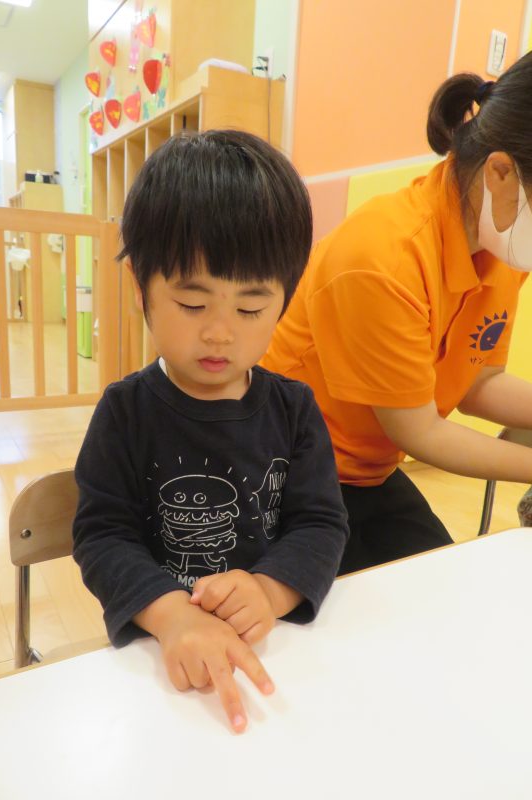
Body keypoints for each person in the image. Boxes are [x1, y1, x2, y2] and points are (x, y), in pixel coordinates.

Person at [73, 130, 349, 733]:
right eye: (193, 305)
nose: (221, 332)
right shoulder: (124, 413)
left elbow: (320, 523)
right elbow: (102, 535)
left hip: (273, 652)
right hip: (159, 657)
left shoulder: (294, 409)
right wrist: (172, 615)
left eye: (250, 309)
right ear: (140, 287)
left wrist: (270, 590)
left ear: (284, 300)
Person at [262, 52, 532, 574]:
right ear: (501, 172)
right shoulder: (383, 257)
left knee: (443, 583)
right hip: (284, 470)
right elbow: (420, 431)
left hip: (370, 468)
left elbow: (477, 383)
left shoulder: (500, 245)